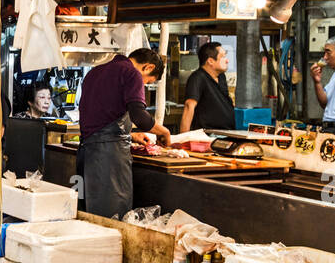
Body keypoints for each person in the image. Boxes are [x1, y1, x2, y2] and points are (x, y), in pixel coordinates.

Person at [76, 47, 169, 218]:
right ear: (147, 67)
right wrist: (164, 131)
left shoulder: (95, 72)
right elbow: (139, 117)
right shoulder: (131, 73)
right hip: (108, 159)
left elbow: (99, 116)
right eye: (148, 82)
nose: (144, 85)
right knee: (112, 217)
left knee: (85, 215)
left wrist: (132, 135)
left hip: (85, 154)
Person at [178, 42, 235, 133]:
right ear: (210, 61)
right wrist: (183, 139)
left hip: (226, 134)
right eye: (223, 57)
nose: (227, 60)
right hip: (207, 135)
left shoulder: (221, 77)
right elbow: (189, 106)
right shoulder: (198, 78)